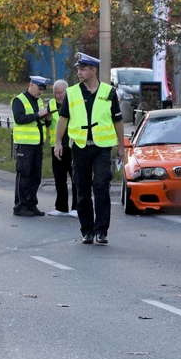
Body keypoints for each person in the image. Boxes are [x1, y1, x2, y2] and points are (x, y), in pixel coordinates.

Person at [53, 53, 126, 245]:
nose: (79, 72)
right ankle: (87, 230)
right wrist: (58, 142)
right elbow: (63, 119)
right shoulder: (73, 92)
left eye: (83, 69)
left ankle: (101, 231)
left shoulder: (109, 92)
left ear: (93, 70)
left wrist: (121, 145)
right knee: (82, 189)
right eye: (78, 69)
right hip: (80, 147)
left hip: (102, 148)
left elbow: (118, 120)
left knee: (101, 186)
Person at [11, 76, 51, 217]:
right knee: (24, 175)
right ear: (31, 85)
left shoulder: (38, 101)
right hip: (24, 144)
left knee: (35, 176)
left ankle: (31, 204)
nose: (40, 92)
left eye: (42, 90)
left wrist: (47, 119)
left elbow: (38, 121)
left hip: (37, 144)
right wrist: (37, 115)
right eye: (39, 88)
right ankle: (20, 206)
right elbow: (19, 118)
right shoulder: (19, 100)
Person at [46, 79, 78, 218]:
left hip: (72, 146)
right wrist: (46, 118)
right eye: (55, 93)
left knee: (75, 177)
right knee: (59, 178)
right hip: (56, 146)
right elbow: (48, 124)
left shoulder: (74, 103)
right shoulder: (51, 104)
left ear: (67, 91)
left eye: (60, 93)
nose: (58, 96)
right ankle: (61, 207)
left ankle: (76, 207)